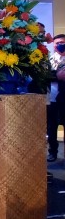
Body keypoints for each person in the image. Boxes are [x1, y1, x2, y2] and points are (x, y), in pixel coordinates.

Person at [47, 34, 65, 162]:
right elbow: (44, 76)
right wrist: (57, 76)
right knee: (51, 128)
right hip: (52, 98)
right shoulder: (49, 60)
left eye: (62, 42)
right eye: (57, 42)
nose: (60, 44)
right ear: (53, 45)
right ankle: (53, 152)